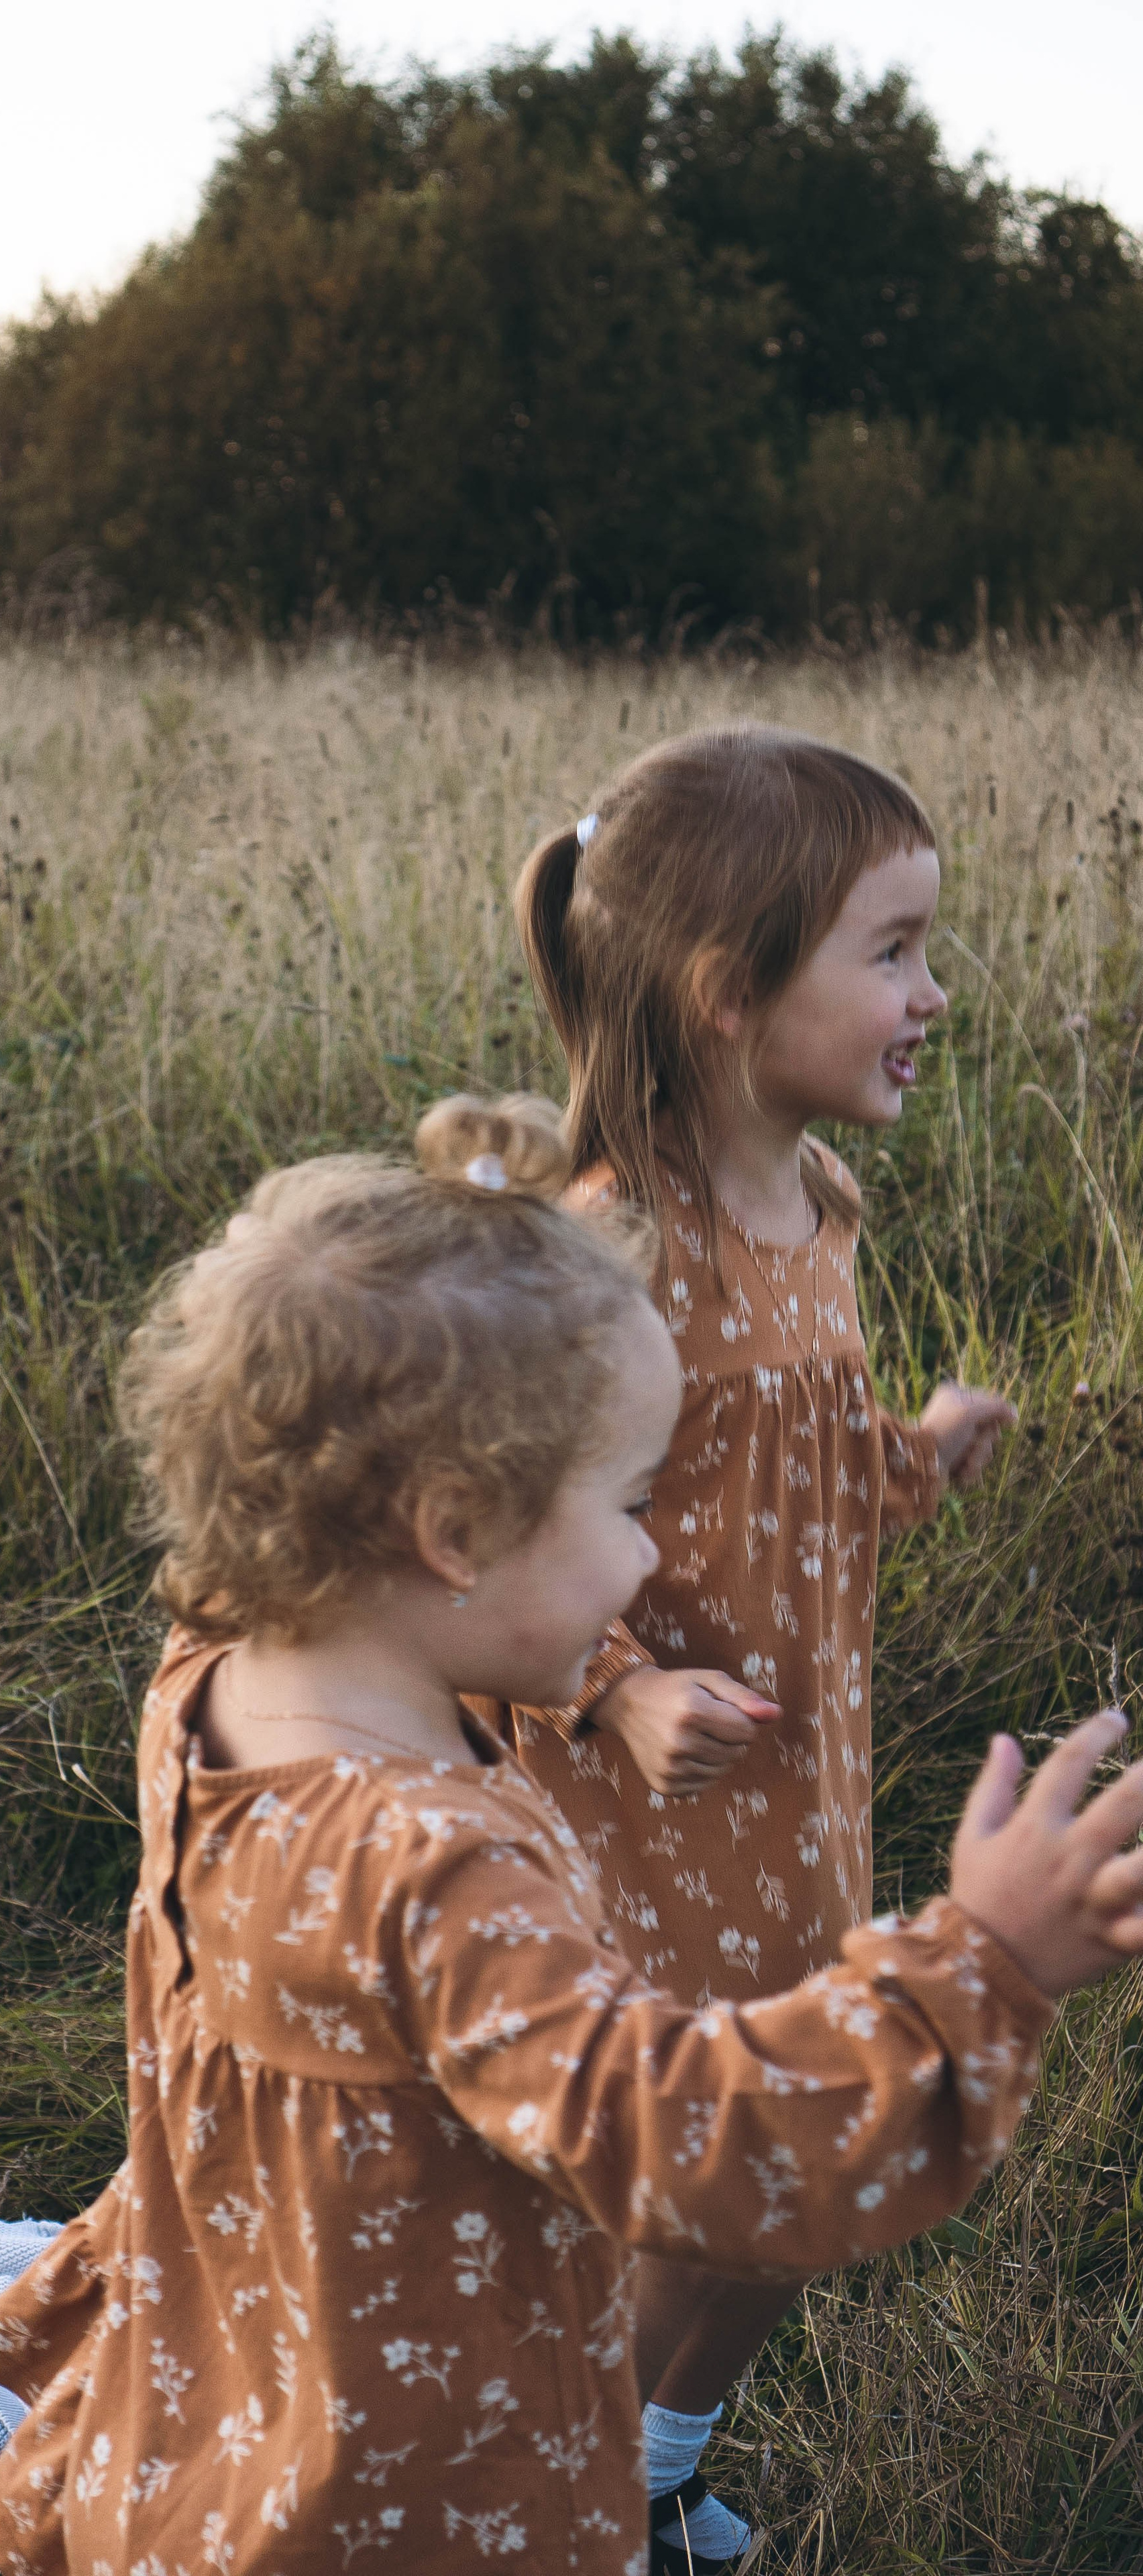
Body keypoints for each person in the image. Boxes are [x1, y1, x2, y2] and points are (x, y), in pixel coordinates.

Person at [0, 1097, 1142, 2576]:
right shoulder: (432, 1873)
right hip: (404, 2485)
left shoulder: (205, 1682)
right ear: (451, 1534)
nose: (651, 1555)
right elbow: (687, 2143)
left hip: (233, 2372)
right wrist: (984, 1967)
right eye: (630, 1503)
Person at [507, 724, 1018, 2567]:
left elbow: (770, 1475)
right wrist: (620, 1686)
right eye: (891, 952)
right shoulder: (616, 1249)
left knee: (784, 2183)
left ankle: (646, 2472)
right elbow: (491, 1547)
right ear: (731, 994)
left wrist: (900, 1462)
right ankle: (586, 2504)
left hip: (800, 1792)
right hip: (650, 1816)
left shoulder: (822, 1209)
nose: (933, 994)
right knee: (727, 2175)